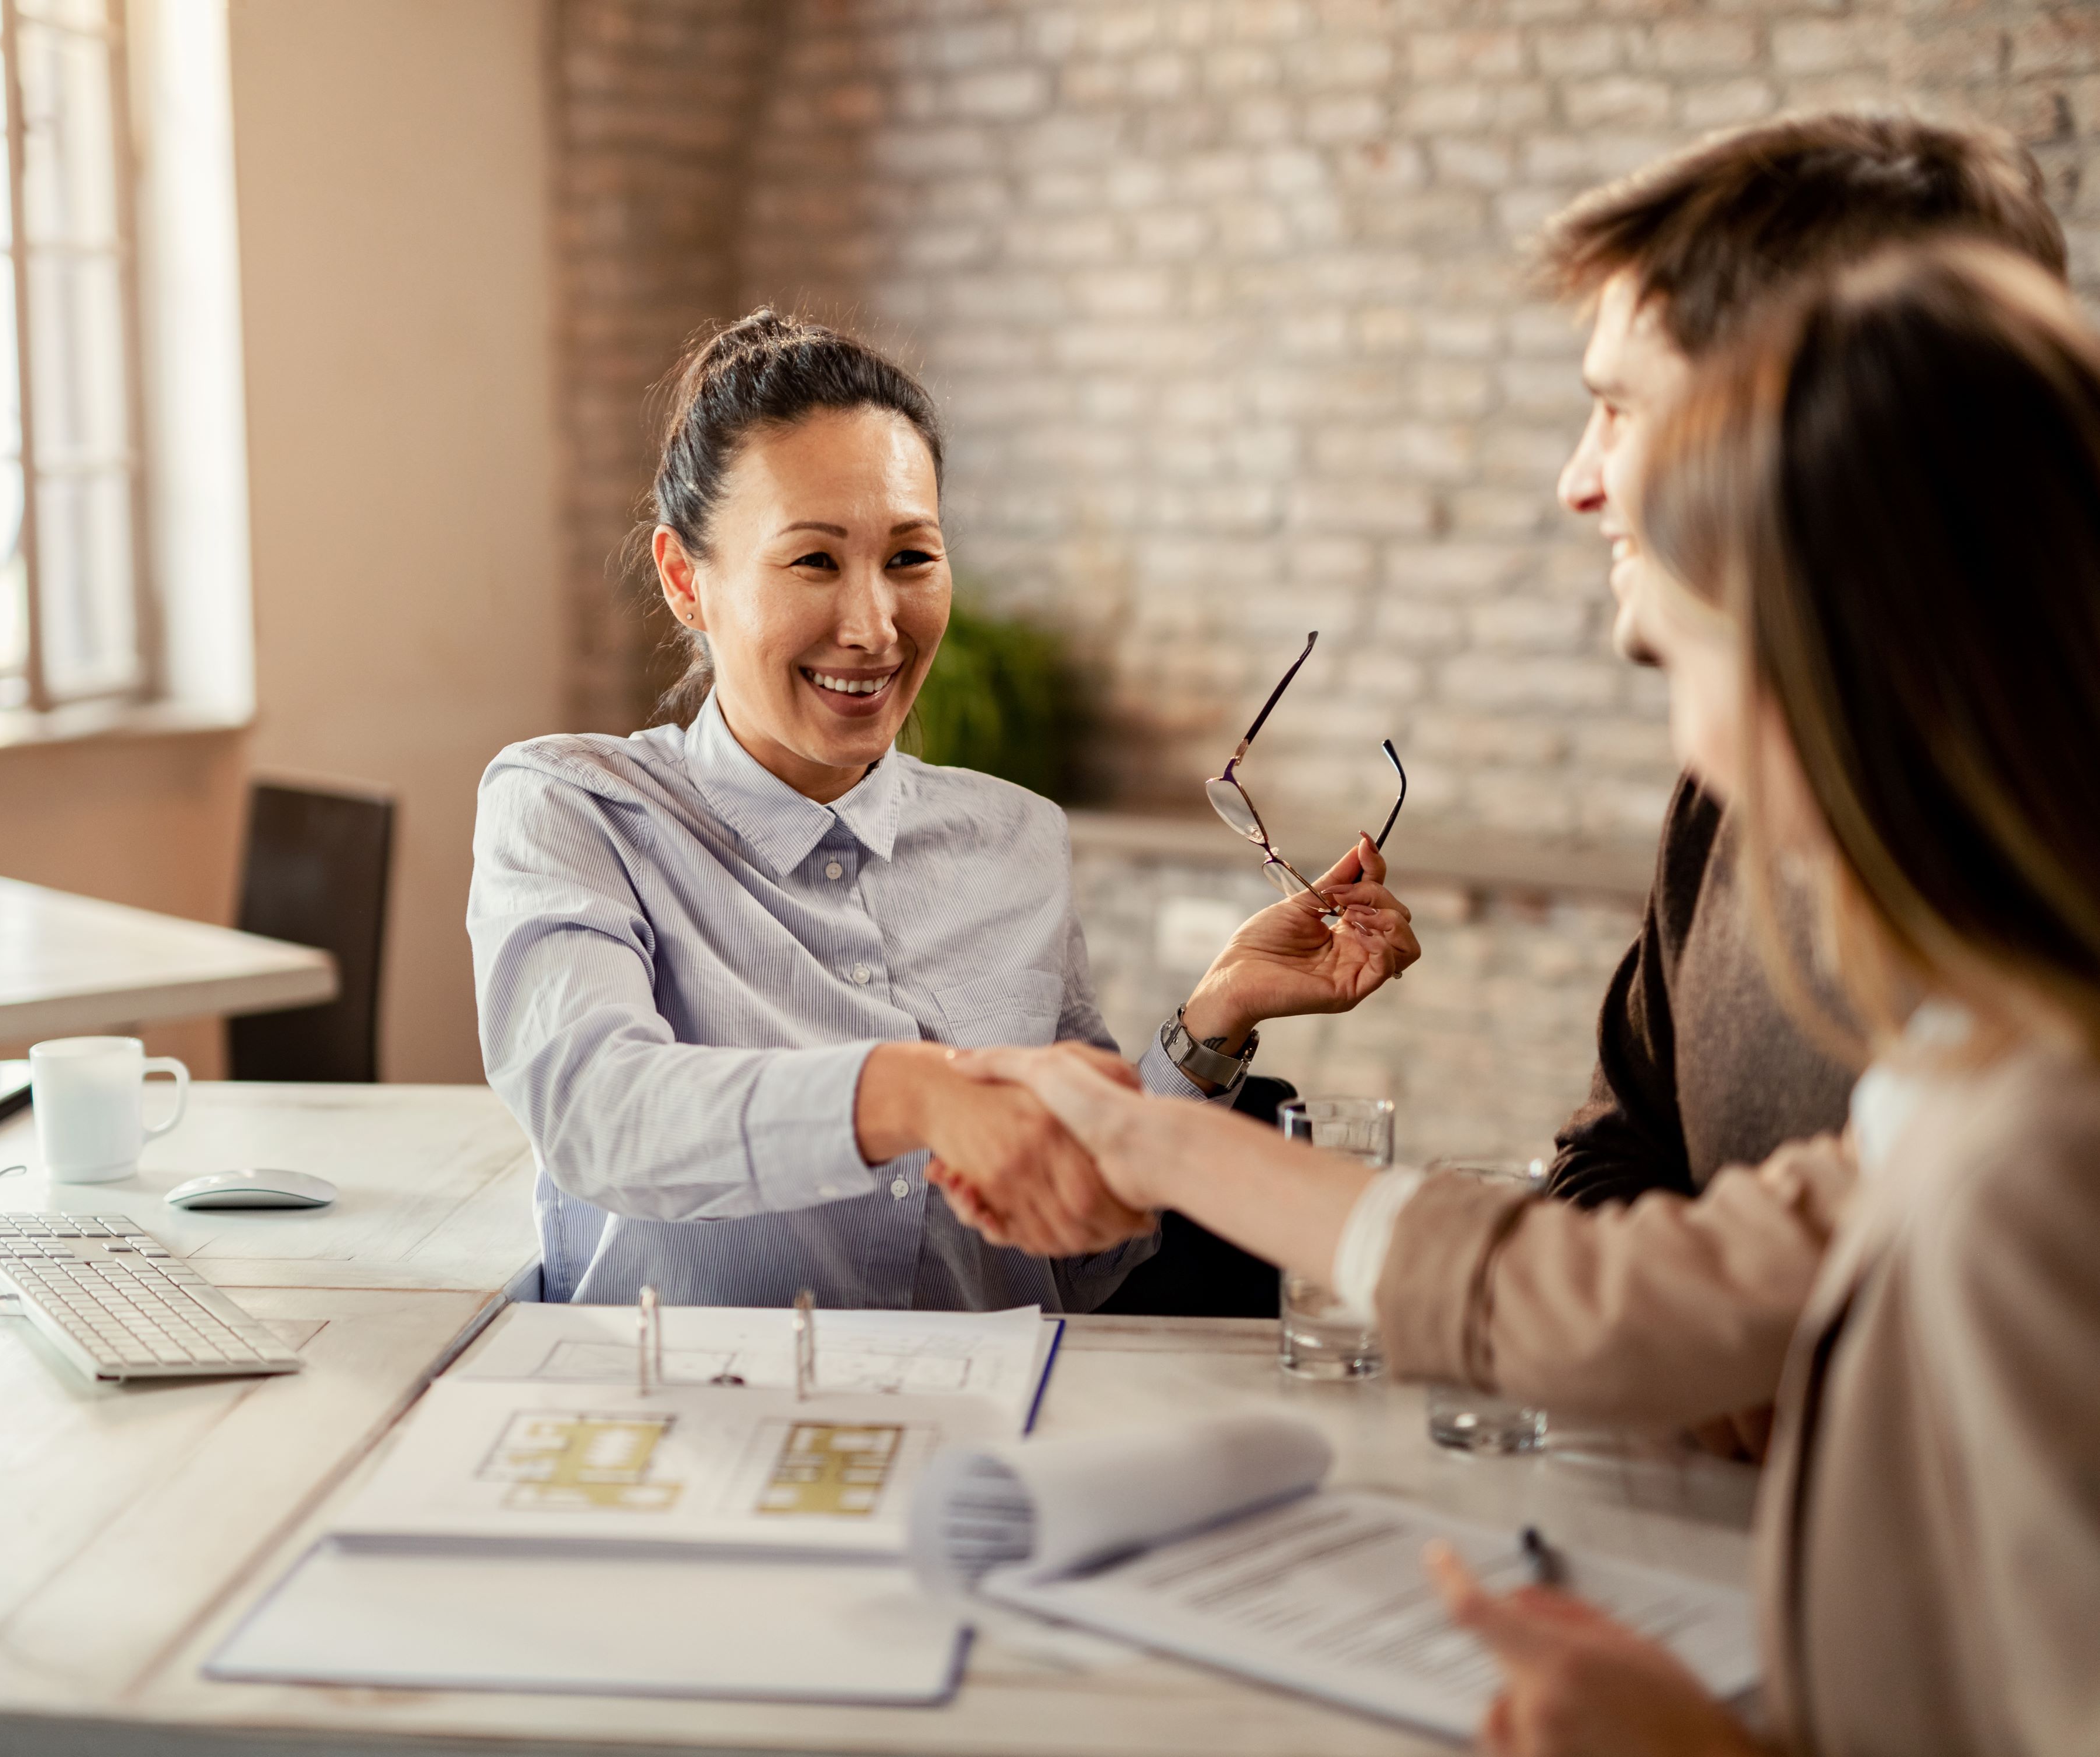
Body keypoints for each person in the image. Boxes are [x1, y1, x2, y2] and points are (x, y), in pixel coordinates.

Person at [952, 242, 2100, 1755]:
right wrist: (1160, 1130)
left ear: (1822, 689)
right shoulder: (1976, 1077)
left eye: (1669, 658)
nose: (1689, 741)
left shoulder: (2032, 1161)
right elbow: (1626, 1288)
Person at [467, 310, 1420, 1309]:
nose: (875, 627)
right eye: (814, 561)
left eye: (911, 559)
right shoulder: (573, 809)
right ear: (684, 580)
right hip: (692, 1434)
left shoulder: (1016, 840)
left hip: (983, 1437)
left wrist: (1215, 1016)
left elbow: (1078, 1254)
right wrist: (914, 1092)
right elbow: (597, 1113)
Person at [1533, 113, 2065, 1213]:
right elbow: (1610, 1151)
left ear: (1790, 421)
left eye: (1622, 409)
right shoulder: (1727, 794)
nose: (1577, 482)